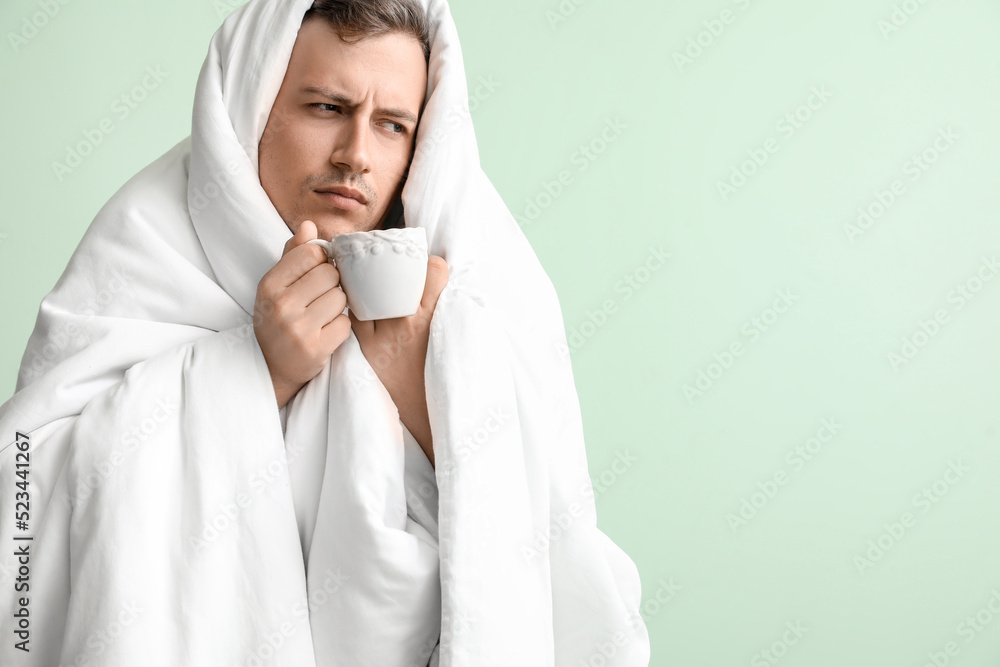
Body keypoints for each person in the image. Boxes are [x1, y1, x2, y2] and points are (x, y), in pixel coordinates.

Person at [0, 0, 651, 665]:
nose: (356, 156)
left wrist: (427, 394)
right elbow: (20, 508)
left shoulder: (488, 279)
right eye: (328, 108)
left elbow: (573, 573)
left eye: (393, 124)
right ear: (255, 106)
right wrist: (258, 368)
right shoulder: (147, 241)